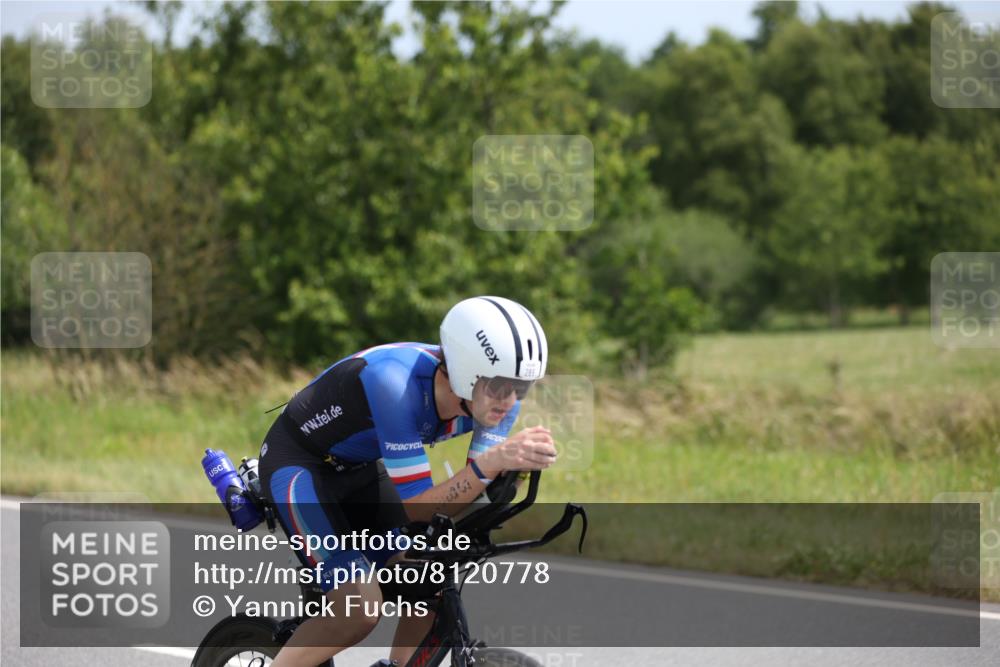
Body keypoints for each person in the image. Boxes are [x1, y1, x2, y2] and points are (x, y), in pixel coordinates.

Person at [258, 296, 558, 667]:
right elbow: (419, 507)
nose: (511, 400)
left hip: (361, 469)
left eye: (521, 388)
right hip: (299, 467)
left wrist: (508, 474)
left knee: (429, 573)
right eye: (500, 386)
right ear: (467, 372)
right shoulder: (394, 384)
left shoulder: (497, 403)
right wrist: (494, 463)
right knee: (360, 609)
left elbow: (477, 493)